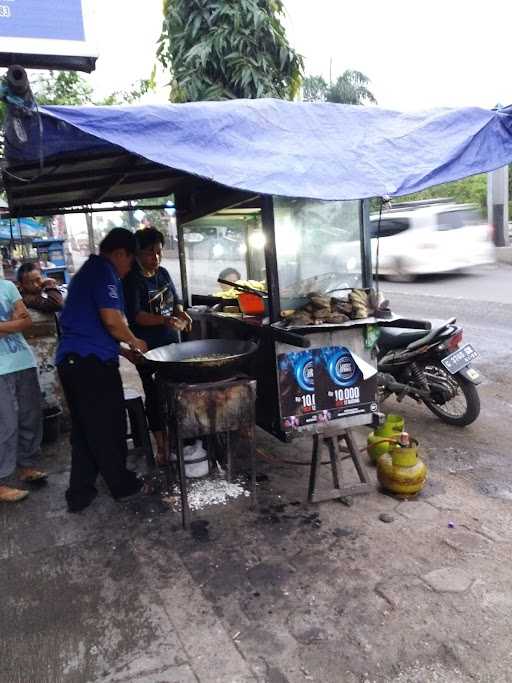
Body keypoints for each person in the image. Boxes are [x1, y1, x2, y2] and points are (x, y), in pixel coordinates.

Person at [56, 228, 148, 513]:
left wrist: (122, 351)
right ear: (120, 253)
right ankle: (121, 485)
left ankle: (80, 493)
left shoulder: (89, 271)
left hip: (74, 361)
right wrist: (135, 341)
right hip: (90, 365)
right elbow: (110, 321)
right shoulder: (104, 271)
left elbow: (94, 327)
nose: (128, 268)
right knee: (108, 425)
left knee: (86, 429)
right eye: (130, 261)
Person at [124, 227, 192, 465]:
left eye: (159, 252)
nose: (155, 258)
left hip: (173, 346)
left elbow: (177, 301)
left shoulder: (162, 273)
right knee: (154, 396)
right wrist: (165, 320)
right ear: (137, 254)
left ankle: (178, 439)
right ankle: (161, 447)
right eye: (149, 253)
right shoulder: (133, 279)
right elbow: (136, 316)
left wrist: (182, 315)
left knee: (176, 393)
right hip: (148, 350)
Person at [0, 275, 47, 503]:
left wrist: (8, 324)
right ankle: (2, 480)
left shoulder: (7, 286)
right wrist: (12, 321)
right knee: (5, 424)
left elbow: (26, 322)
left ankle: (26, 466)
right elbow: (19, 321)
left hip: (23, 360)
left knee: (31, 416)